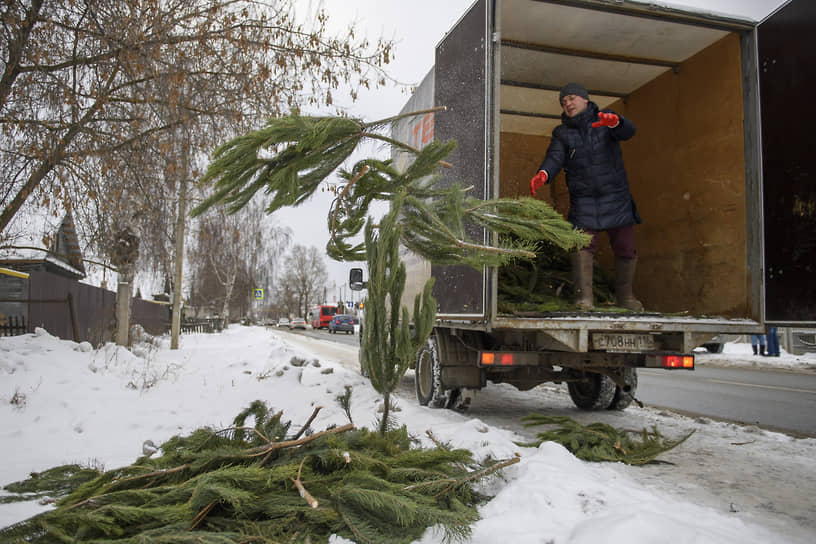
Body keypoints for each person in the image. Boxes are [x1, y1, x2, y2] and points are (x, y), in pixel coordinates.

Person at [530, 82, 642, 310]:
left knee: (625, 247)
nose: (567, 104)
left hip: (615, 196)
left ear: (585, 99)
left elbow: (629, 132)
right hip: (583, 200)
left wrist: (617, 122)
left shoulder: (605, 119)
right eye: (563, 102)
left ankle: (626, 297)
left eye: (571, 98)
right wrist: (544, 173)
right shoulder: (562, 133)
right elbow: (555, 156)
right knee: (582, 246)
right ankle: (584, 299)